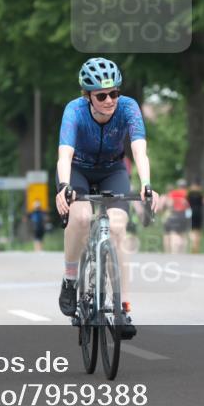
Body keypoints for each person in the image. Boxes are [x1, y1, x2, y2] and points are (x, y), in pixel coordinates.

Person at [55, 57, 159, 339]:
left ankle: (123, 308)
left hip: (113, 170)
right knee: (81, 217)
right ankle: (70, 279)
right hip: (78, 170)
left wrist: (146, 184)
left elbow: (139, 150)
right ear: (87, 96)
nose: (110, 100)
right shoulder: (74, 111)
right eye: (101, 95)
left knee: (117, 227)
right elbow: (64, 154)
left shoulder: (128, 107)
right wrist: (64, 186)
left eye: (114, 93)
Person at [161, 179, 191, 254]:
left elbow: (170, 204)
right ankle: (183, 252)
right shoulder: (188, 194)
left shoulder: (174, 193)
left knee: (174, 234)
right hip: (185, 215)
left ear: (178, 186)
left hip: (176, 214)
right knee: (184, 234)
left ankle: (174, 252)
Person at [186, 181, 204, 253]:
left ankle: (193, 244)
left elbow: (184, 202)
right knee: (198, 231)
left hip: (190, 213)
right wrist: (203, 192)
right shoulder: (201, 195)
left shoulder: (189, 195)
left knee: (191, 230)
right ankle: (196, 246)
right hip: (199, 213)